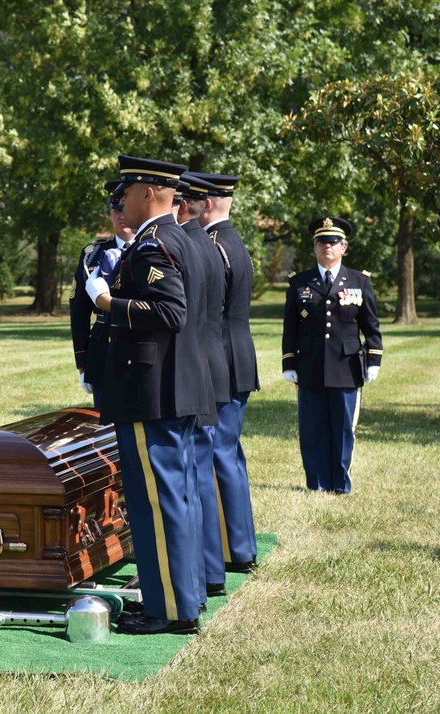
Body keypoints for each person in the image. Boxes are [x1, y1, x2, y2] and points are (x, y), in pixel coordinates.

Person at [84, 155, 205, 636]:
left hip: (150, 391)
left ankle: (169, 609)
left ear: (149, 194)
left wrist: (107, 302)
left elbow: (170, 311)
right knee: (173, 497)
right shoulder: (181, 238)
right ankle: (179, 597)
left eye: (128, 193)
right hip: (171, 386)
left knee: (155, 502)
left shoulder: (153, 244)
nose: (123, 202)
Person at [282, 217, 382, 494]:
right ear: (314, 248)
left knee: (342, 429)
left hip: (346, 367)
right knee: (312, 428)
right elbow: (290, 327)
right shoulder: (299, 282)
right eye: (322, 242)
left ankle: (340, 483)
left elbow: (371, 326)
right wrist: (289, 361)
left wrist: (373, 360)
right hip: (310, 366)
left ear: (344, 247)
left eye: (334, 242)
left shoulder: (359, 281)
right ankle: (315, 483)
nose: (328, 246)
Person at [192, 172, 259, 574]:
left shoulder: (215, 245)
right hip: (239, 354)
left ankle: (231, 549)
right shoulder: (233, 241)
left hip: (223, 357)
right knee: (229, 453)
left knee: (218, 453)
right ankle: (241, 545)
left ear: (209, 203)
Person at [177, 173, 231, 600]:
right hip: (207, 367)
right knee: (200, 477)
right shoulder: (205, 245)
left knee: (193, 478)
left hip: (193, 372)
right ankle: (210, 572)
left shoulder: (189, 247)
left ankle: (200, 576)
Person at [70, 177, 135, 410]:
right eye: (116, 209)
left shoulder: (153, 248)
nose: (121, 215)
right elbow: (78, 311)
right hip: (102, 352)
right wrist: (82, 364)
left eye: (125, 208)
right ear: (109, 214)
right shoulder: (92, 254)